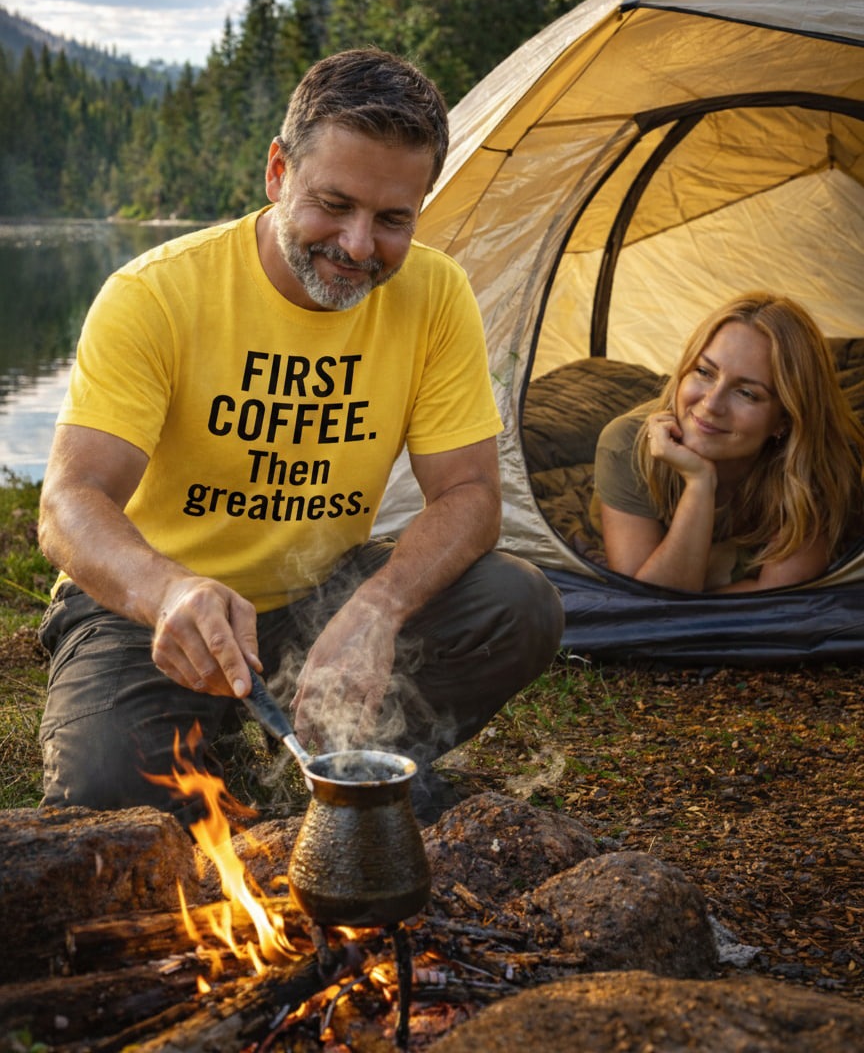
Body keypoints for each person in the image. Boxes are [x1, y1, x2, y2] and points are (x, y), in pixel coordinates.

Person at [37, 48, 564, 825]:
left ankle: (333, 763)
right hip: (152, 608)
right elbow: (69, 503)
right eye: (334, 204)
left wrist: (378, 611)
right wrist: (167, 591)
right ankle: (215, 740)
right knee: (104, 806)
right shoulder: (156, 293)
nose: (358, 246)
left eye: (393, 219)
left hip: (320, 595)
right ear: (278, 172)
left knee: (518, 605)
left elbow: (472, 495)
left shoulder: (435, 294)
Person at [594, 291, 864, 594]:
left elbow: (776, 599)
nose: (711, 404)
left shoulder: (821, 459)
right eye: (704, 372)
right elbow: (647, 608)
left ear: (784, 421)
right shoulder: (626, 446)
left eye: (747, 393)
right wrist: (700, 482)